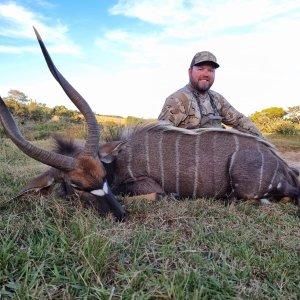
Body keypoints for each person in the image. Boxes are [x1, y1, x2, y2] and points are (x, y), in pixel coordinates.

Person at [158, 51, 264, 138]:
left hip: (220, 152)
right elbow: (159, 136)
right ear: (190, 72)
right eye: (200, 69)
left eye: (210, 70)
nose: (205, 74)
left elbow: (239, 120)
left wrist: (264, 142)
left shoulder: (217, 98)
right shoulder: (178, 99)